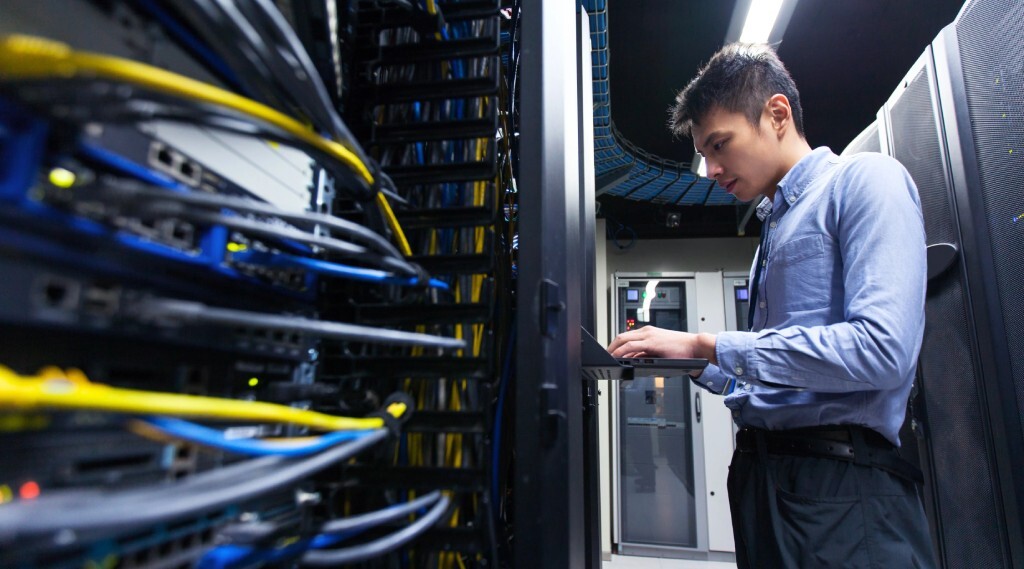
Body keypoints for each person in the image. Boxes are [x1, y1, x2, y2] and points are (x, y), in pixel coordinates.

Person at [607, 43, 935, 568]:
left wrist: (707, 344)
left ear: (777, 114)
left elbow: (882, 350)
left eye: (719, 145)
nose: (710, 169)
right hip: (769, 482)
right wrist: (693, 362)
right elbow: (783, 377)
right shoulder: (772, 230)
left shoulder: (865, 182)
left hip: (841, 491)